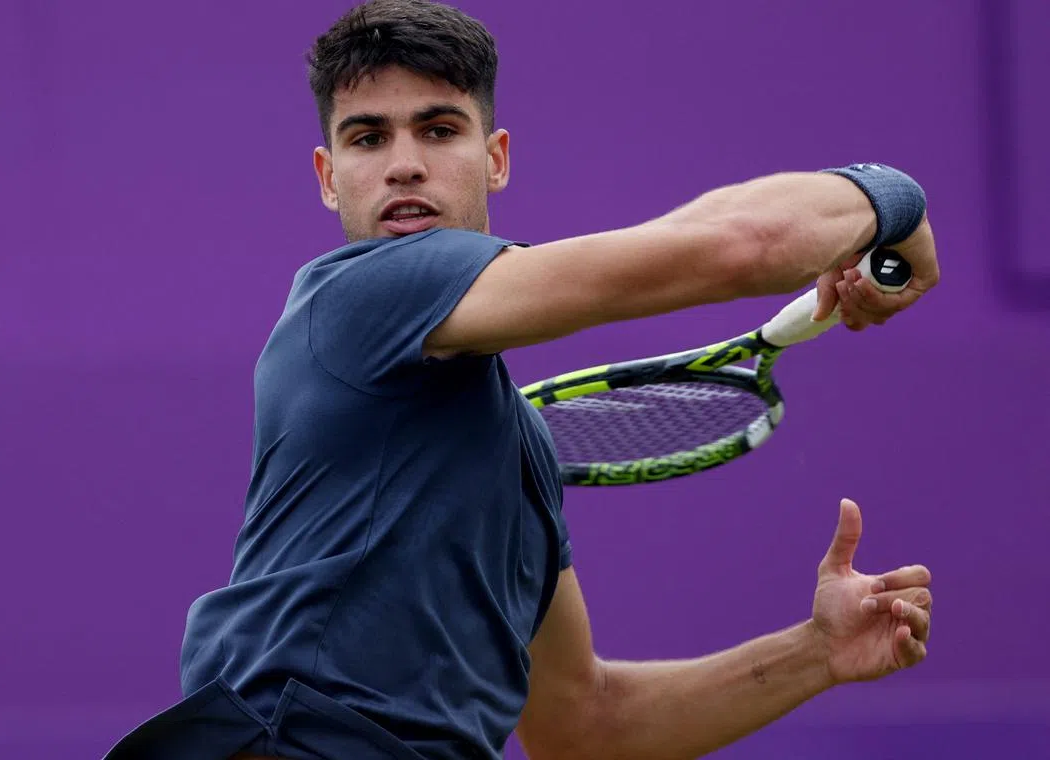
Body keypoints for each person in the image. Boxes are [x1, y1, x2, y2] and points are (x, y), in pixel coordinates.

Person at [104, 1, 938, 758]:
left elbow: (584, 724)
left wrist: (819, 653)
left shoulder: (521, 448)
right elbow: (736, 247)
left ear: (495, 158)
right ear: (328, 176)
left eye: (438, 130)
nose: (403, 166)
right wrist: (894, 198)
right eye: (368, 138)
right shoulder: (360, 291)